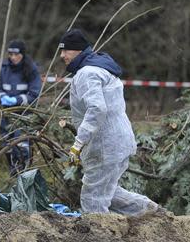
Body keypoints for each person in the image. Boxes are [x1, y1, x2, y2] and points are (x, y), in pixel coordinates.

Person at [59, 28, 160, 215]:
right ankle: (149, 210)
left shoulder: (86, 73)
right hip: (118, 141)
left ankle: (99, 233)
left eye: (66, 50)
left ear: (79, 51)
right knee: (107, 191)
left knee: (92, 200)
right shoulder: (100, 68)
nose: (62, 55)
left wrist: (79, 142)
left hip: (105, 145)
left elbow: (97, 108)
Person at [0, 40, 42, 176]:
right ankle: (13, 171)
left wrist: (18, 100)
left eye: (16, 54)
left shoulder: (31, 69)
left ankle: (25, 172)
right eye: (10, 54)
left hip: (24, 113)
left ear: (22, 54)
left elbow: (35, 93)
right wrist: (2, 97)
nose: (13, 57)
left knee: (22, 143)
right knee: (7, 142)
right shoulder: (3, 68)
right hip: (6, 113)